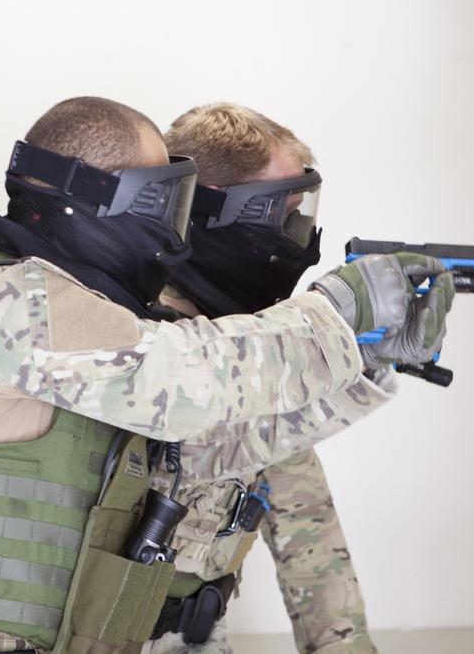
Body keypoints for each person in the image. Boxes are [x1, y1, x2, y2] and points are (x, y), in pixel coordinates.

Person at [0, 96, 454, 652]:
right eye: (159, 198)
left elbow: (192, 455)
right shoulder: (7, 296)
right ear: (99, 196)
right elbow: (185, 383)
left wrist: (363, 358)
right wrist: (334, 314)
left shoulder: (62, 299)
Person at [144, 103, 387, 653]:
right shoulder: (133, 339)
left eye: (300, 213)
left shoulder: (259, 343)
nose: (293, 235)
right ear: (210, 205)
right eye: (279, 214)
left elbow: (309, 533)